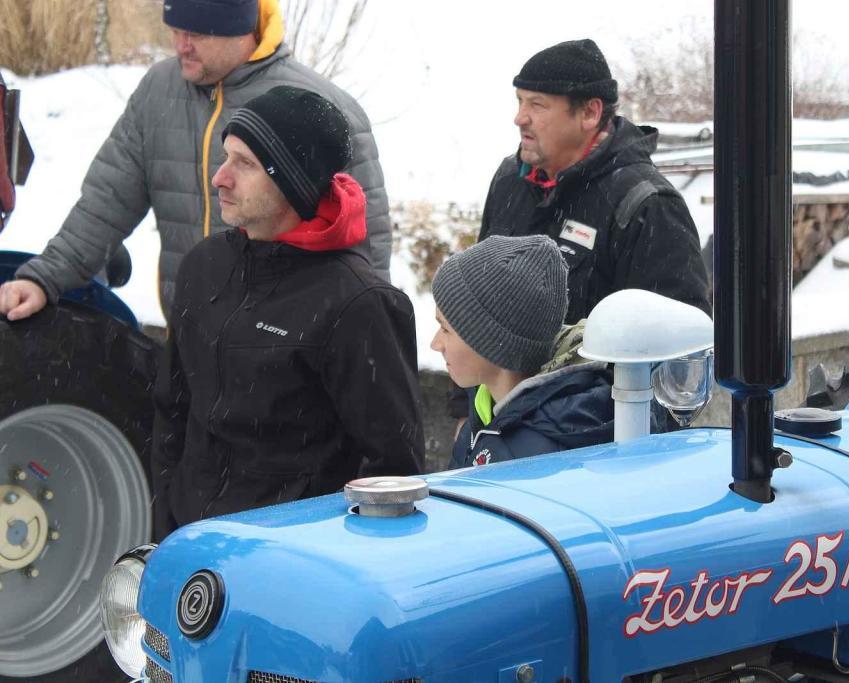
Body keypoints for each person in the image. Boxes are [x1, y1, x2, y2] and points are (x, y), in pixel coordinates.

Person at [0, 0, 391, 323]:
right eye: (175, 29)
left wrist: (365, 345)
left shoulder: (320, 108)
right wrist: (44, 278)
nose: (181, 45)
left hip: (285, 358)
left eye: (197, 34)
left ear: (242, 29)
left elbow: (365, 249)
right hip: (189, 341)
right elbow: (105, 203)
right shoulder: (158, 91)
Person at [150, 86, 422, 539]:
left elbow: (392, 476)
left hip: (290, 564)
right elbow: (171, 411)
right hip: (189, 545)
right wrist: (164, 531)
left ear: (294, 183)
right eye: (226, 156)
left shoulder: (358, 304)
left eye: (246, 164)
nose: (220, 177)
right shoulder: (204, 266)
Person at [480, 38, 710, 323]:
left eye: (537, 105)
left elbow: (675, 349)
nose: (520, 118)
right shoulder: (509, 180)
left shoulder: (646, 206)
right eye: (520, 101)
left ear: (590, 113)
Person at [431, 234, 616, 468]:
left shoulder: (536, 458)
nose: (435, 344)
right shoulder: (483, 415)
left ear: (489, 341)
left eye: (445, 329)